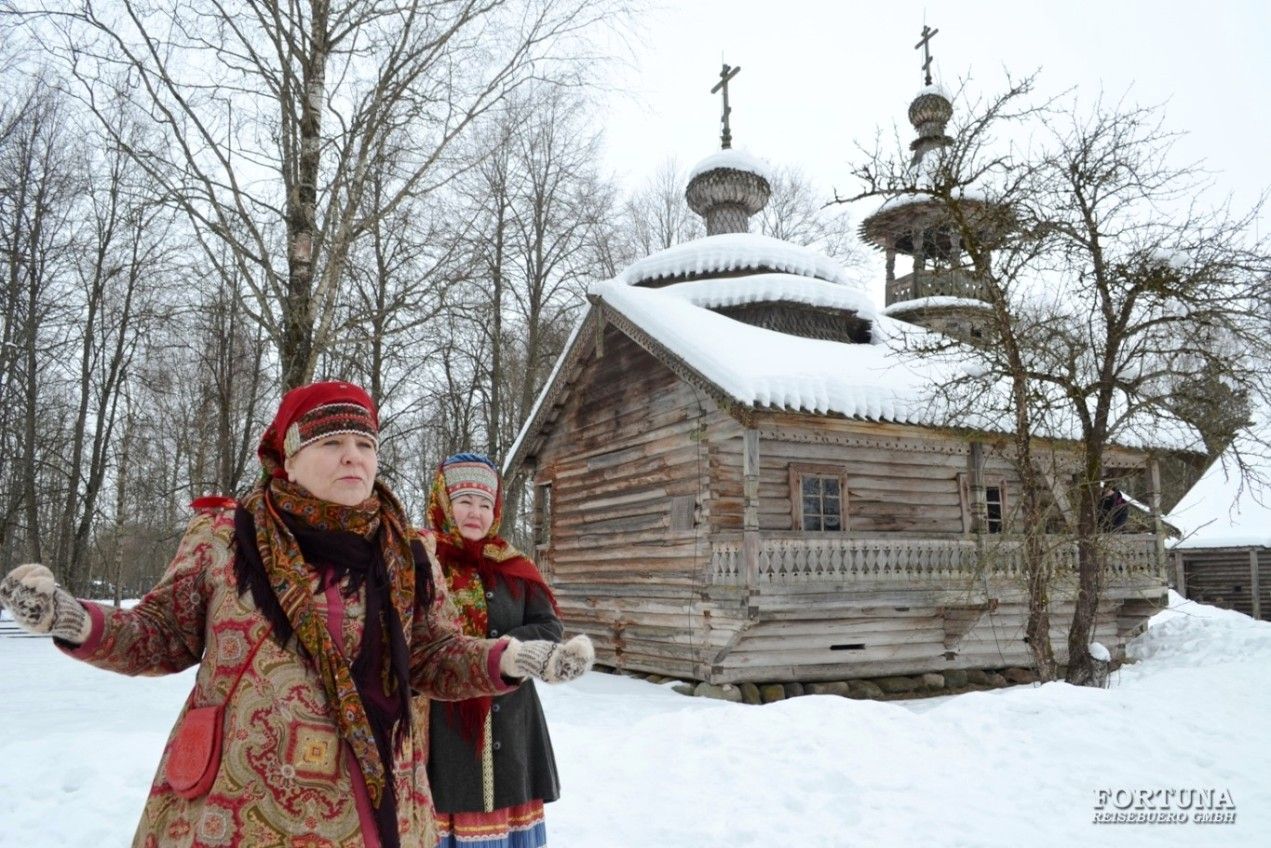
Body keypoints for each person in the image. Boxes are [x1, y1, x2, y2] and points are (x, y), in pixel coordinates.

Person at [0, 380, 593, 848]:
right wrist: (74, 620)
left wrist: (512, 658)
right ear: (290, 452)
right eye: (332, 443)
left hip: (374, 803)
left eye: (365, 445)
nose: (352, 458)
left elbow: (434, 656)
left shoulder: (408, 551)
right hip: (239, 802)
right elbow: (161, 635)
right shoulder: (227, 535)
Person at [423, 454, 566, 848]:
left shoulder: (514, 567)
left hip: (512, 722)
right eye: (465, 500)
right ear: (443, 502)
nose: (476, 512)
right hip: (447, 726)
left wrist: (506, 652)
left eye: (486, 504)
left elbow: (550, 626)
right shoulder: (421, 562)